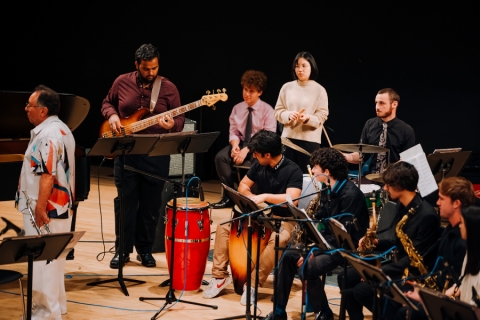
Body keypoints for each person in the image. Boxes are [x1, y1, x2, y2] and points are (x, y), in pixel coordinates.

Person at [101, 43, 185, 268]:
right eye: (147, 69)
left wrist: (170, 125)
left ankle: (145, 250)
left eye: (155, 68)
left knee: (150, 206)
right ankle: (122, 251)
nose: (151, 73)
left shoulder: (168, 88)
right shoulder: (121, 81)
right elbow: (107, 103)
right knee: (125, 204)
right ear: (136, 65)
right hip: (126, 154)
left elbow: (180, 121)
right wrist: (112, 117)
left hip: (156, 156)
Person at [264, 148, 369, 320]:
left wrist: (312, 252)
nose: (312, 171)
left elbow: (342, 236)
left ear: (327, 172)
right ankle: (278, 311)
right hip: (327, 243)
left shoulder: (351, 196)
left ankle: (324, 312)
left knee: (309, 267)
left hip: (346, 248)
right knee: (289, 255)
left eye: (315, 168)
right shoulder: (327, 190)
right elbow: (321, 221)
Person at [203, 130, 303, 305]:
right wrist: (249, 197)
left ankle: (253, 284)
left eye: (256, 154)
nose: (254, 157)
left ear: (268, 154)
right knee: (223, 227)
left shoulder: (293, 170)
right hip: (259, 214)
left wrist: (264, 197)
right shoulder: (259, 165)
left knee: (280, 238)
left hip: (283, 218)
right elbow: (243, 184)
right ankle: (219, 277)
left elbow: (292, 200)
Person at [340, 162, 439, 320]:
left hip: (412, 274)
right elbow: (397, 241)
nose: (385, 188)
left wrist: (379, 273)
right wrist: (377, 243)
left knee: (362, 290)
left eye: (388, 185)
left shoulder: (427, 216)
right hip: (397, 265)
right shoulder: (403, 206)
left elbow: (415, 259)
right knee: (346, 276)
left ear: (399, 185)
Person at [16, 85, 76, 320]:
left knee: (43, 263)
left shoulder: (48, 135)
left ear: (43, 111)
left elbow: (48, 175)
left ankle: (45, 315)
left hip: (47, 208)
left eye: (30, 105)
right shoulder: (61, 129)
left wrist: (40, 208)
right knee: (54, 260)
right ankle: (57, 306)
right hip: (60, 207)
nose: (26, 109)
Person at [395, 177, 477, 319]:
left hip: (451, 305)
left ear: (456, 203)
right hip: (438, 293)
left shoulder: (464, 243)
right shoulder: (448, 231)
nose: (437, 203)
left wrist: (426, 298)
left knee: (406, 312)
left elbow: (458, 290)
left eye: (441, 199)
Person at [211, 70, 277, 209]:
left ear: (259, 92)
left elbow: (268, 137)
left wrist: (247, 149)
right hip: (241, 142)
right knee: (220, 157)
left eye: (251, 91)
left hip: (260, 145)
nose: (246, 94)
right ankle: (230, 195)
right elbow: (234, 131)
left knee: (258, 160)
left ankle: (253, 198)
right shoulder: (237, 108)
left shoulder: (268, 110)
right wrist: (235, 146)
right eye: (245, 89)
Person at [274, 51, 328, 173]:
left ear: (311, 67)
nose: (300, 69)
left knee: (307, 177)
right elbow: (278, 111)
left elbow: (323, 115)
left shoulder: (320, 90)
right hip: (288, 140)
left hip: (309, 141)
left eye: (304, 66)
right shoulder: (286, 87)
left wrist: (308, 118)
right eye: (297, 66)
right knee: (286, 175)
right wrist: (288, 115)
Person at [343, 88, 415, 174]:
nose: (377, 107)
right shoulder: (369, 124)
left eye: (382, 103)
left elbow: (407, 161)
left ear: (394, 104)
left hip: (395, 180)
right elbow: (361, 155)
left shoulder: (406, 130)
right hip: (371, 178)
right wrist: (345, 156)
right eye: (376, 103)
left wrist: (391, 169)